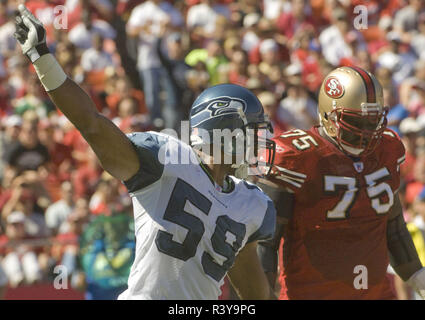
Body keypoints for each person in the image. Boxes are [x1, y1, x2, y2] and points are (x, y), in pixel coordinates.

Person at [14, 5, 277, 300]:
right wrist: (42, 58)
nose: (259, 142)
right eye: (252, 132)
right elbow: (92, 125)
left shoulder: (252, 204)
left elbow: (254, 296)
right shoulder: (165, 161)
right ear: (223, 131)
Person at [256, 66, 425, 299]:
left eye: (372, 121)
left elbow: (393, 226)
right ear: (329, 115)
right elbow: (265, 241)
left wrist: (418, 278)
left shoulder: (387, 149)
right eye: (358, 122)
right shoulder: (296, 157)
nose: (367, 132)